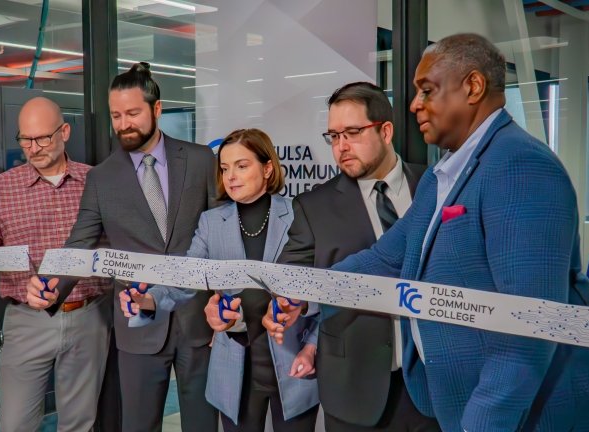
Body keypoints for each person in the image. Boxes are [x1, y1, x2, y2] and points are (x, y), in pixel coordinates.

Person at [307, 33, 589, 431]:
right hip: (468, 400)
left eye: (427, 90)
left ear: (473, 87)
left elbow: (527, 331)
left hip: (537, 409)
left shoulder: (519, 166)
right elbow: (385, 259)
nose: (414, 105)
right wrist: (303, 292)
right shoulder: (443, 176)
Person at [27, 62, 219, 432]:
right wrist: (49, 283)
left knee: (203, 425)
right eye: (116, 115)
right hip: (138, 323)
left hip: (197, 320)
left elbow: (222, 234)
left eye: (132, 113)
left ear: (157, 109)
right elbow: (80, 244)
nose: (123, 124)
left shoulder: (199, 160)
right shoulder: (101, 178)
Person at [265, 82, 439, 431]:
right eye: (333, 136)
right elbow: (290, 277)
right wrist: (287, 303)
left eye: (353, 133)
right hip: (353, 387)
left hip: (434, 384)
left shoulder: (436, 185)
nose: (341, 146)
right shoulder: (314, 206)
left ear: (386, 130)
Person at [121, 128, 320, 431]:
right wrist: (147, 300)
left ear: (267, 169)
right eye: (225, 168)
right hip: (234, 368)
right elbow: (186, 277)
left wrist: (315, 345)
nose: (231, 177)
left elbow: (321, 291)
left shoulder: (299, 214)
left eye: (242, 166)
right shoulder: (212, 222)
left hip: (294, 361)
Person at [0, 96, 111, 431]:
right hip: (26, 321)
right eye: (25, 139)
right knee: (14, 423)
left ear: (65, 132)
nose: (34, 147)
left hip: (89, 316)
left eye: (43, 137)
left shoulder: (98, 183)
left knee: (79, 422)